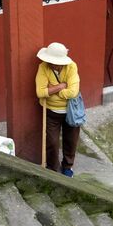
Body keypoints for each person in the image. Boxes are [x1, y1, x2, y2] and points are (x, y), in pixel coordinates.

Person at [35, 42, 80, 177]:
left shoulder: (71, 67)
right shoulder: (43, 67)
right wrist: (61, 86)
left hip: (71, 111)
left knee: (71, 140)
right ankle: (52, 169)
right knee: (52, 142)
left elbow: (72, 92)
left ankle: (67, 166)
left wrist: (52, 89)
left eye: (53, 62)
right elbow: (40, 92)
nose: (50, 63)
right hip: (51, 111)